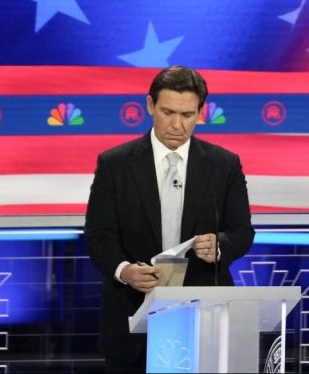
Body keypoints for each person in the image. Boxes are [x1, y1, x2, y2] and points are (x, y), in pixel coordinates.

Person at [85, 66, 255, 372]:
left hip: (203, 316)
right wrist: (125, 271)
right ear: (150, 105)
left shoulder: (224, 165)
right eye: (167, 112)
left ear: (201, 113)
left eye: (188, 115)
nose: (177, 125)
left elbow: (242, 232)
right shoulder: (115, 164)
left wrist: (219, 246)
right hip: (131, 315)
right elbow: (99, 235)